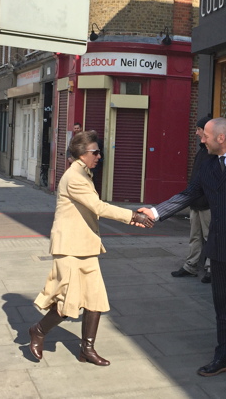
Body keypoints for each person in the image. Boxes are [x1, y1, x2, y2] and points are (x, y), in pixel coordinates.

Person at [138, 117, 226, 390]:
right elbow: (189, 194)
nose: (202, 140)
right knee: (224, 308)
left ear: (221, 138)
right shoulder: (208, 165)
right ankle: (224, 358)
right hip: (220, 247)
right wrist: (154, 213)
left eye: (206, 137)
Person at [29, 130, 153, 366]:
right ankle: (38, 331)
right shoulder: (74, 177)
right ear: (81, 154)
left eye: (99, 152)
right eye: (95, 152)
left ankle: (87, 349)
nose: (99, 156)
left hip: (85, 245)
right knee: (68, 301)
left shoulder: (84, 173)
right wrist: (133, 216)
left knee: (95, 299)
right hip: (70, 247)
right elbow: (98, 207)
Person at [171, 117, 213, 282]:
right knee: (194, 236)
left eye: (198, 129)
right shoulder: (202, 151)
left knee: (210, 236)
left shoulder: (212, 153)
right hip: (195, 202)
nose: (196, 132)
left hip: (206, 203)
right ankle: (191, 266)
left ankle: (211, 269)